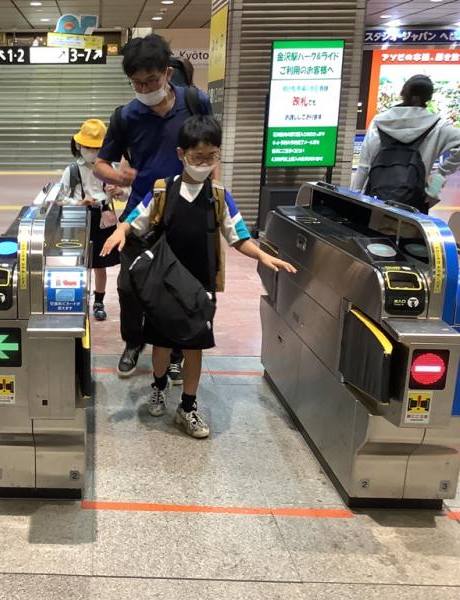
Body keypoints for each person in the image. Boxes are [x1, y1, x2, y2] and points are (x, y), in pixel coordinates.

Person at [101, 115, 296, 439]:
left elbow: (238, 235)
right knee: (162, 345)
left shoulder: (218, 196)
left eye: (211, 156)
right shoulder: (163, 190)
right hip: (163, 282)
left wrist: (262, 254)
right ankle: (159, 387)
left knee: (194, 347)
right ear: (182, 154)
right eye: (197, 157)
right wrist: (120, 230)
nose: (204, 163)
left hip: (199, 287)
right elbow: (135, 219)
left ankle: (187, 406)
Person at [93, 33, 214, 380]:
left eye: (151, 80)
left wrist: (212, 197)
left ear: (168, 74)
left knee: (182, 285)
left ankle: (176, 350)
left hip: (185, 212)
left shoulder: (195, 103)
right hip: (139, 213)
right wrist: (117, 175)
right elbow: (100, 164)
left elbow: (209, 150)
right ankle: (134, 341)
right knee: (129, 285)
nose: (145, 88)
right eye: (137, 82)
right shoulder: (126, 116)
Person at [351, 74, 460, 211]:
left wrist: (354, 197)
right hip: (415, 202)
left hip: (375, 200)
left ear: (403, 93)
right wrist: (438, 178)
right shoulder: (438, 126)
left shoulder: (379, 122)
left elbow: (364, 165)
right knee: (410, 225)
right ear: (428, 98)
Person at [57, 119, 121, 321]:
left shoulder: (111, 167)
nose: (92, 152)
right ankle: (76, 299)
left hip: (103, 219)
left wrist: (118, 191)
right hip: (78, 219)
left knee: (100, 265)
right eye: (88, 147)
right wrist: (78, 202)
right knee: (78, 263)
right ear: (79, 145)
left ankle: (99, 301)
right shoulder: (72, 170)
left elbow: (125, 194)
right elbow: (58, 198)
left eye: (96, 147)